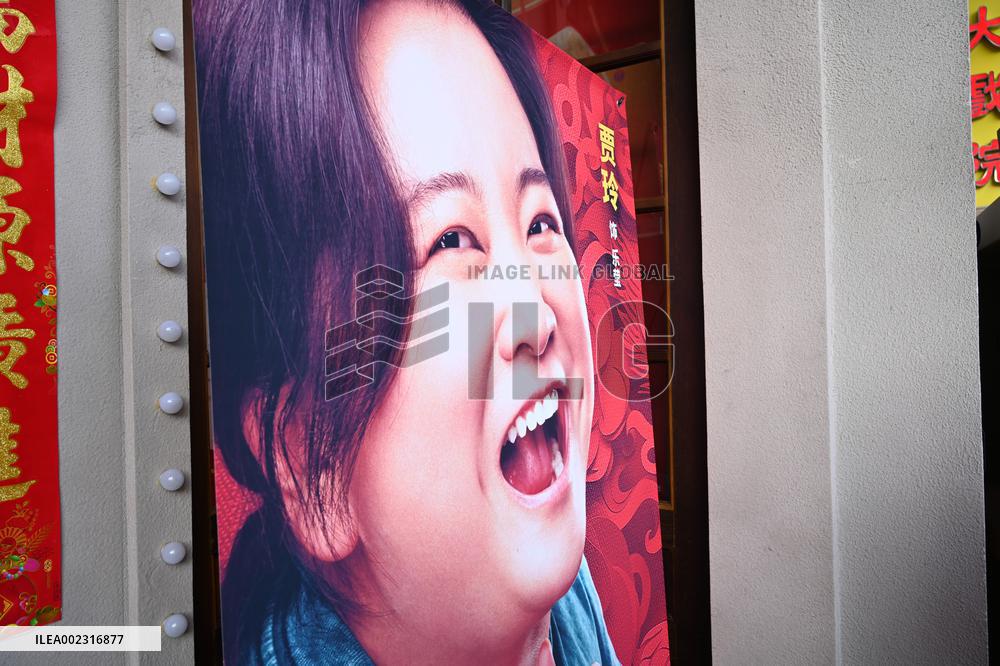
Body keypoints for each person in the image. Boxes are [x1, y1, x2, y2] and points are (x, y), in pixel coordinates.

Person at [195, 0, 618, 663]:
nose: (537, 316)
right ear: (313, 462)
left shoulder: (562, 594)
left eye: (539, 224)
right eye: (451, 242)